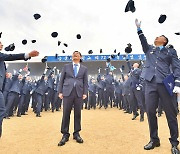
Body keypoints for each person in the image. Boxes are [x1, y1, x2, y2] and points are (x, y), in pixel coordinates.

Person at [135, 19, 180, 154]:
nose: (156, 37)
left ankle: (174, 143)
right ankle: (154, 139)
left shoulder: (170, 52)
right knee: (150, 111)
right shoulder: (149, 49)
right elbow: (143, 42)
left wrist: (177, 82)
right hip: (150, 83)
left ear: (164, 41)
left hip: (165, 84)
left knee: (171, 113)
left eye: (159, 36)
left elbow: (177, 67)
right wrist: (139, 30)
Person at [0, 41, 39, 138]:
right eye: (0, 43)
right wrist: (28, 54)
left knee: (1, 110)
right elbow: (10, 56)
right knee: (2, 110)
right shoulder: (1, 57)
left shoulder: (2, 62)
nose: (2, 45)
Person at [58, 51, 88, 146]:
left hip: (79, 93)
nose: (75, 55)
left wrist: (85, 92)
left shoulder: (84, 68)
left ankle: (76, 133)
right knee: (66, 113)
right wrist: (60, 91)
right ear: (72, 57)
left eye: (77, 54)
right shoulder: (66, 67)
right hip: (67, 92)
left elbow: (85, 82)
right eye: (74, 54)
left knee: (78, 114)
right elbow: (61, 79)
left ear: (80, 57)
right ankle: (65, 134)